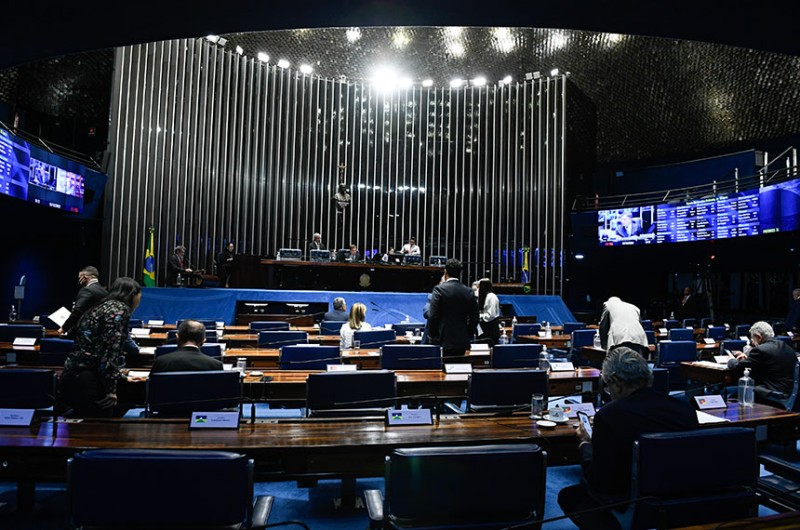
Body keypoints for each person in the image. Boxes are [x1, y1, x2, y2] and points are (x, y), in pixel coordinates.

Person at [558, 347, 699, 529]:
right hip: (684, 503)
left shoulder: (610, 416)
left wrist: (585, 442)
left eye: (608, 385)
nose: (609, 392)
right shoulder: (684, 409)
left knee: (569, 496)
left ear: (617, 383)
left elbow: (601, 485)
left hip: (635, 509)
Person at [59, 277, 142, 417]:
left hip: (71, 375)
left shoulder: (100, 306)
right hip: (89, 381)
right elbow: (110, 350)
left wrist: (120, 377)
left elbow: (91, 347)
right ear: (133, 294)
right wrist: (111, 390)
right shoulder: (120, 310)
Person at [726, 321, 796, 403]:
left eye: (753, 338)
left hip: (772, 394)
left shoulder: (760, 350)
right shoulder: (788, 347)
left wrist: (731, 360)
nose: (752, 342)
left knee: (727, 392)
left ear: (758, 337)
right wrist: (748, 359)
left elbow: (737, 367)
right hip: (789, 393)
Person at [426, 259, 479, 359]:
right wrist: (467, 333)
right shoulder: (468, 291)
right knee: (458, 370)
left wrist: (432, 335)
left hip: (442, 339)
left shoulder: (439, 289)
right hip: (462, 339)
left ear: (445, 271)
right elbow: (475, 317)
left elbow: (433, 315)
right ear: (460, 273)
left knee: (443, 371)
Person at [151, 320, 223, 373]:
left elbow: (151, 388)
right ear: (203, 341)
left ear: (177, 337)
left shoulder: (161, 362)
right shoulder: (215, 366)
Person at [60, 266, 108, 337]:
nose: (79, 280)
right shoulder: (105, 292)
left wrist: (64, 328)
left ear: (84, 277)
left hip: (83, 331)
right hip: (99, 332)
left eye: (79, 278)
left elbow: (77, 311)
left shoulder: (87, 290)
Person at [477, 278, 501, 345]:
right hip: (485, 328)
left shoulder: (491, 297)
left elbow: (490, 315)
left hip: (491, 328)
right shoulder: (486, 296)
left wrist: (479, 316)